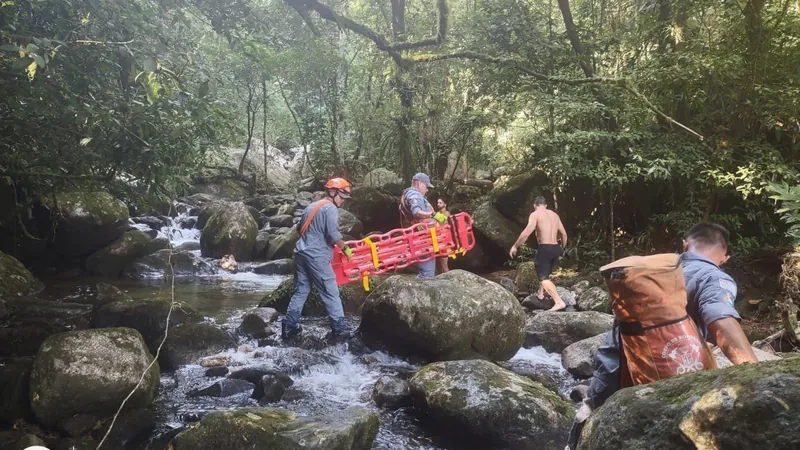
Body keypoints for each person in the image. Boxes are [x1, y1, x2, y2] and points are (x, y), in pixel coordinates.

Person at [568, 223, 758, 449]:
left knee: (590, 421)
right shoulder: (714, 277)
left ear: (685, 245)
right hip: (663, 377)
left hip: (612, 365)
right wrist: (754, 375)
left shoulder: (654, 270)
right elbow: (720, 317)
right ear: (724, 258)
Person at [282, 178, 355, 341]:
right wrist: (345, 248)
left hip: (301, 253)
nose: (343, 201)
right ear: (333, 192)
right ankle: (340, 329)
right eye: (342, 196)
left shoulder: (311, 206)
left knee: (301, 290)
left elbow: (299, 228)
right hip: (317, 256)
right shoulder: (330, 209)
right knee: (330, 291)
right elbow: (333, 234)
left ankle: (289, 326)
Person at [509, 196, 568, 311]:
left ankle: (559, 301)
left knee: (543, 277)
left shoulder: (535, 214)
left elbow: (526, 233)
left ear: (535, 206)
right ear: (545, 205)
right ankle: (540, 294)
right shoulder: (554, 215)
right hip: (556, 248)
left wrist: (515, 246)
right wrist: (563, 248)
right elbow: (564, 234)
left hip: (544, 248)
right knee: (545, 272)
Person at [399, 173, 448, 278]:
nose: (427, 190)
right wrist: (434, 215)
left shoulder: (408, 194)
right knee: (427, 274)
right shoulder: (414, 194)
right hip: (423, 238)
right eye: (426, 186)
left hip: (424, 237)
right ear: (419, 183)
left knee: (430, 272)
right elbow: (416, 212)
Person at [435, 198, 451, 275]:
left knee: (444, 262)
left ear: (445, 204)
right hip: (437, 239)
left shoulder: (447, 213)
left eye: (440, 203)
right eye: (438, 203)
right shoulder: (437, 213)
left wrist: (432, 215)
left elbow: (443, 221)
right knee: (438, 263)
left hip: (445, 240)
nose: (438, 204)